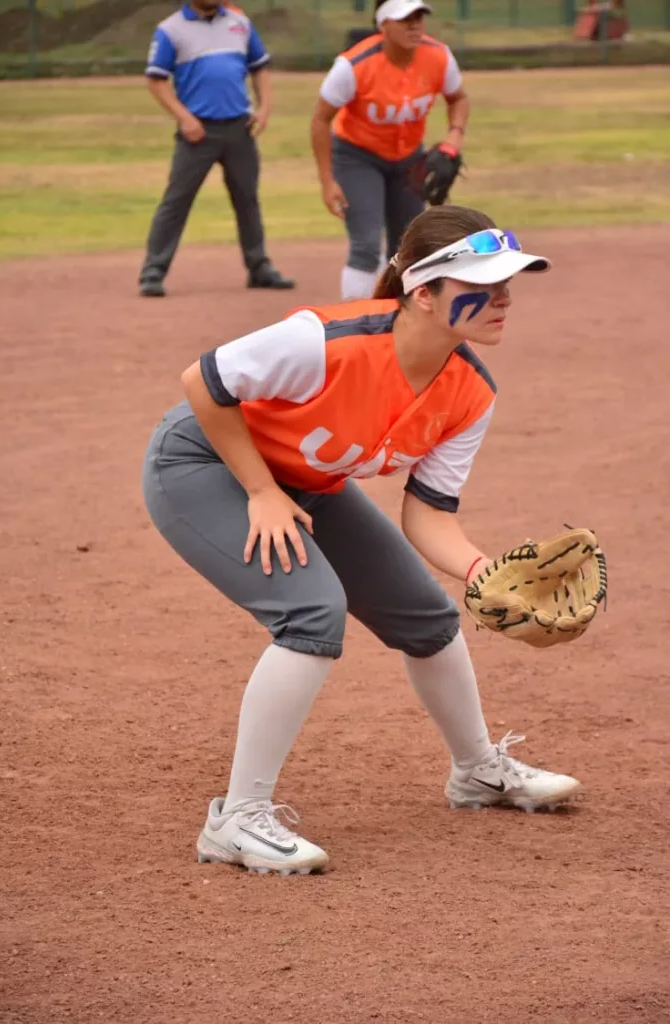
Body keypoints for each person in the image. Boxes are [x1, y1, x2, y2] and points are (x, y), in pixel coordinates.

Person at [142, 203, 581, 877]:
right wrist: (261, 493)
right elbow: (203, 384)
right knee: (310, 612)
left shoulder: (468, 391)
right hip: (202, 464)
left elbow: (429, 513)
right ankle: (236, 819)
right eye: (482, 285)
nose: (504, 298)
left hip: (307, 482)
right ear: (424, 293)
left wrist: (481, 573)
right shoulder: (326, 340)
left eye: (507, 283)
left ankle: (476, 772)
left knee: (427, 617)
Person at [310, 0, 470, 302]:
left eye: (419, 16)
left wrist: (453, 137)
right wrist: (327, 180)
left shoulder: (438, 56)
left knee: (406, 245)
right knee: (366, 245)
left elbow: (458, 98)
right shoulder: (353, 65)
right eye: (404, 18)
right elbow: (320, 119)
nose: (415, 25)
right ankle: (354, 322)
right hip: (357, 157)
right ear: (383, 25)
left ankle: (393, 318)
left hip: (409, 158)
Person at [139, 0, 294, 297]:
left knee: (247, 200)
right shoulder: (171, 29)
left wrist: (264, 109)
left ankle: (259, 267)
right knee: (176, 201)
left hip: (239, 128)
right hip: (198, 132)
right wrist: (185, 118)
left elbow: (259, 67)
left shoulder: (240, 23)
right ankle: (153, 271)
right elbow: (156, 80)